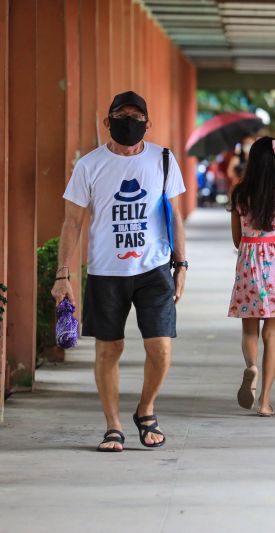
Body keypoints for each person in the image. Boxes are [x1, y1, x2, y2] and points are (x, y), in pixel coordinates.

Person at [51, 91, 187, 452]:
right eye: (121, 115)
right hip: (106, 271)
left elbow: (174, 216)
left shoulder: (163, 159)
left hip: (154, 269)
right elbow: (72, 223)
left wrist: (181, 264)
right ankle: (113, 426)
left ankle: (146, 410)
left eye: (136, 116)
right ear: (107, 121)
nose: (129, 121)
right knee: (109, 350)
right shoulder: (89, 166)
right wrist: (62, 274)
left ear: (148, 123)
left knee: (160, 349)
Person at [228, 137, 275, 417]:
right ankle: (265, 402)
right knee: (271, 334)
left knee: (250, 331)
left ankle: (251, 368)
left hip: (248, 261)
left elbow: (237, 239)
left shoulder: (239, 193)